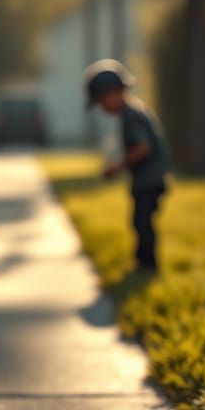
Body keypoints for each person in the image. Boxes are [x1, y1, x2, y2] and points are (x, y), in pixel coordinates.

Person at [84, 59, 170, 272]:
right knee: (139, 220)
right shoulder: (133, 112)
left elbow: (143, 147)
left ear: (114, 93)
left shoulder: (131, 116)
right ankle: (142, 261)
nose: (103, 108)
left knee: (142, 221)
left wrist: (119, 166)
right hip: (148, 178)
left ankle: (148, 264)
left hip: (149, 179)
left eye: (102, 102)